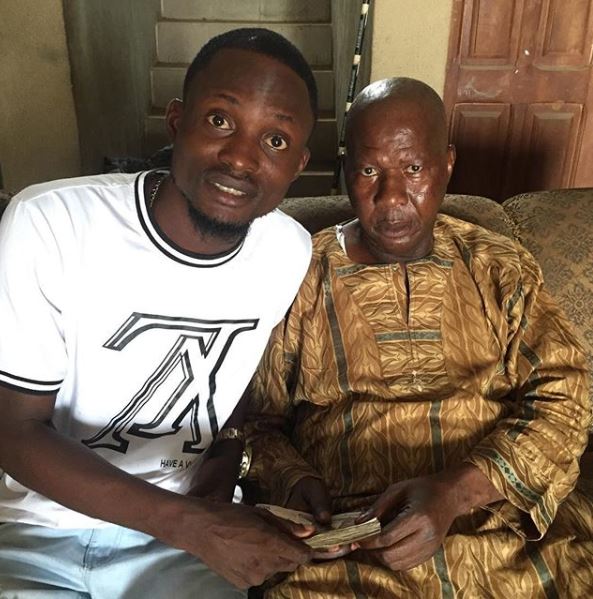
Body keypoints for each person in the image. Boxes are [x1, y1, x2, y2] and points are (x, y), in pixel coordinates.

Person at [0, 28, 321, 597]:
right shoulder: (51, 222)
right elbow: (14, 430)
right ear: (176, 121)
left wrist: (220, 478)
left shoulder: (288, 251)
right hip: (36, 531)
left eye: (275, 140)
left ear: (298, 164)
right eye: (220, 120)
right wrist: (194, 526)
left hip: (181, 543)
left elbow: (230, 379)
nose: (241, 157)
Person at [245, 77, 593, 597]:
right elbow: (252, 421)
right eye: (369, 171)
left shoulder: (499, 267)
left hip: (507, 533)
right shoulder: (298, 274)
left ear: (446, 164)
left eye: (412, 170)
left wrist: (457, 494)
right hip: (349, 551)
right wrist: (293, 480)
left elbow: (566, 398)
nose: (391, 198)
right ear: (345, 170)